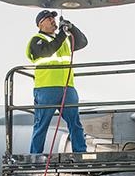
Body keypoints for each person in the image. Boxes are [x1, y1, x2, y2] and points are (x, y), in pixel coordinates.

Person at [26, 10, 88, 154]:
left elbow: (82, 42)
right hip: (46, 88)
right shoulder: (37, 40)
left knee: (75, 122)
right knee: (42, 124)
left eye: (53, 18)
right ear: (40, 24)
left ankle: (80, 152)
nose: (53, 20)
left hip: (67, 87)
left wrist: (71, 28)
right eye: (48, 18)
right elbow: (48, 51)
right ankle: (36, 155)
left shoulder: (63, 40)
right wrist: (62, 34)